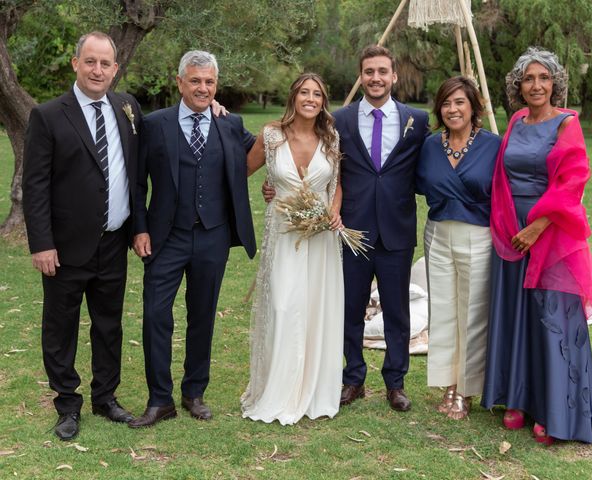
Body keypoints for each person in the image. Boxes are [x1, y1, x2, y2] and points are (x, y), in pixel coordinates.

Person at [481, 47, 592, 444]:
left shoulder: (567, 123)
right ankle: (517, 397)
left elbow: (572, 182)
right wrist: (512, 226)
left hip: (551, 232)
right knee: (517, 314)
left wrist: (537, 227)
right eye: (529, 79)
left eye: (544, 78)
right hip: (511, 232)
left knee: (553, 316)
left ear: (555, 84)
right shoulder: (515, 120)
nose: (536, 85)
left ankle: (556, 410)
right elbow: (502, 176)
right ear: (519, 84)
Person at [22, 31, 141, 440]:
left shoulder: (127, 107)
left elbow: (137, 172)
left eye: (105, 63)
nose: (97, 70)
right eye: (90, 61)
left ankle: (106, 398)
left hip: (113, 242)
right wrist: (41, 243)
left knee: (108, 326)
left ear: (115, 68)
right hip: (64, 247)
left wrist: (210, 106)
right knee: (61, 328)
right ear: (76, 64)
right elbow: (34, 184)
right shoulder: (49, 115)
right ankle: (67, 404)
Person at [129, 50, 256, 428]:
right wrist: (139, 227)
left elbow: (267, 150)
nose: (203, 88)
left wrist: (272, 186)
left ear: (216, 86)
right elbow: (137, 182)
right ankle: (159, 399)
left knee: (202, 316)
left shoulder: (230, 124)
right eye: (196, 81)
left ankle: (194, 392)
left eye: (210, 82)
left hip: (213, 236)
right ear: (180, 82)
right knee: (155, 315)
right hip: (165, 237)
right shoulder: (154, 124)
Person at [240, 73, 344, 425]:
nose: (310, 99)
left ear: (323, 101)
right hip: (284, 235)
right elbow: (240, 171)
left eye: (317, 93)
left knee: (317, 308)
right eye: (304, 92)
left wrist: (333, 210)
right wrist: (265, 190)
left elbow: (336, 184)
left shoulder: (330, 137)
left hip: (321, 239)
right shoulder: (271, 136)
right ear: (294, 97)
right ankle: (279, 389)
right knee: (283, 306)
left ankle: (314, 390)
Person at [334, 46, 429, 411]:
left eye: (382, 71)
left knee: (397, 309)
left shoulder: (416, 121)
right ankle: (353, 378)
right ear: (361, 76)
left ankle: (395, 382)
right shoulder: (340, 119)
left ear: (394, 76)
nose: (375, 78)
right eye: (369, 71)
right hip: (353, 231)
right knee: (350, 308)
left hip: (396, 229)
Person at [415, 77, 500, 420]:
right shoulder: (430, 146)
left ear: (473, 107)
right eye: (447, 103)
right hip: (437, 234)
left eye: (460, 102)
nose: (453, 109)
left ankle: (466, 388)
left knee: (473, 314)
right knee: (444, 311)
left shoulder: (494, 145)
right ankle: (448, 383)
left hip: (478, 237)